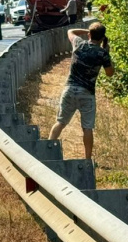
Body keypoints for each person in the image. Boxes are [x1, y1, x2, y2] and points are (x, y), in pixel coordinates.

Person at [47, 23, 114, 159]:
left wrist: (87, 31)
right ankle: (87, 159)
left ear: (89, 35)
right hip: (87, 93)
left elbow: (71, 31)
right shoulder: (103, 54)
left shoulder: (79, 43)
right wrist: (107, 52)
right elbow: (110, 73)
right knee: (87, 128)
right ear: (102, 38)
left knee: (60, 122)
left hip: (70, 89)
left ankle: (47, 150)